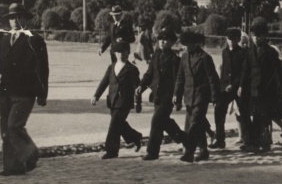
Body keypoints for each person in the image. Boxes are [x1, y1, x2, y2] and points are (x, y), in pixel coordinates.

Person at [0, 3, 49, 176]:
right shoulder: (3, 39)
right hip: (5, 91)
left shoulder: (35, 39)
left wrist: (42, 93)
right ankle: (13, 167)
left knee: (14, 125)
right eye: (11, 18)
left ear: (25, 18)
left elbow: (43, 69)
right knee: (5, 131)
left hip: (25, 92)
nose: (15, 21)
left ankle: (30, 152)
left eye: (18, 17)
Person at [239, 18, 282, 154]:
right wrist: (241, 86)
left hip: (268, 91)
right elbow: (245, 70)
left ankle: (264, 143)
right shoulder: (250, 52)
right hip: (253, 90)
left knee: (263, 118)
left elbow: (278, 73)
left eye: (259, 36)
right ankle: (253, 143)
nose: (256, 38)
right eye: (254, 36)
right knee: (255, 116)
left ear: (265, 36)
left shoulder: (271, 52)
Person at [137, 27, 186, 160]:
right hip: (157, 96)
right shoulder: (155, 57)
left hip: (168, 97)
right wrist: (141, 87)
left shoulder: (175, 59)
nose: (162, 42)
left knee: (156, 121)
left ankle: (152, 152)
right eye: (160, 39)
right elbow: (149, 75)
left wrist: (178, 97)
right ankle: (187, 139)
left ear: (171, 42)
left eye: (166, 40)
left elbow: (178, 80)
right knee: (164, 122)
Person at [173, 31, 220, 162]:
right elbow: (180, 77)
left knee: (193, 124)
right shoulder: (184, 57)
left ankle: (189, 152)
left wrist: (215, 98)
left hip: (201, 96)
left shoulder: (205, 58)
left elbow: (213, 79)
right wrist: (177, 94)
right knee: (196, 124)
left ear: (196, 44)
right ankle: (204, 150)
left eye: (190, 44)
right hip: (188, 96)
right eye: (185, 45)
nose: (187, 47)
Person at [91, 41, 143, 159]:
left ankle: (111, 151)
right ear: (115, 53)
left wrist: (138, 103)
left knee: (114, 126)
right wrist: (96, 96)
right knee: (119, 124)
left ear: (128, 53)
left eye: (123, 52)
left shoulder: (132, 69)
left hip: (125, 102)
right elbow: (104, 82)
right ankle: (135, 137)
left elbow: (137, 88)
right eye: (118, 52)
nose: (121, 54)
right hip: (112, 101)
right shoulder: (111, 67)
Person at [213, 28, 249, 150]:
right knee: (219, 110)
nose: (230, 41)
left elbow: (243, 72)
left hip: (238, 88)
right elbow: (224, 71)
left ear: (238, 39)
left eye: (233, 39)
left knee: (244, 114)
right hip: (225, 88)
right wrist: (221, 86)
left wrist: (235, 85)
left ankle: (249, 141)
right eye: (228, 39)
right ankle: (220, 140)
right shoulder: (224, 52)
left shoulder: (243, 53)